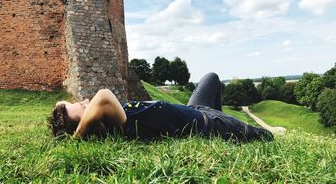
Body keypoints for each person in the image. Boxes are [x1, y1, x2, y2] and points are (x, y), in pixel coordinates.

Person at [48, 73, 274, 142]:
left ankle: (222, 118)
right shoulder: (117, 123)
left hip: (195, 109)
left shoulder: (110, 116)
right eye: (83, 108)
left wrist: (66, 111)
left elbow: (61, 104)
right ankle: (230, 131)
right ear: (91, 123)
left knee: (212, 78)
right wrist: (77, 137)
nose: (85, 102)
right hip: (211, 124)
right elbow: (103, 96)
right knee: (266, 137)